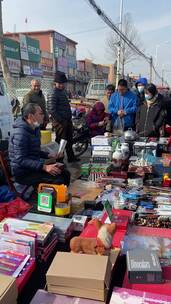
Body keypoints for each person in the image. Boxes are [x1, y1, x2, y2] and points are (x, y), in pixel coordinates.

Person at [8, 103, 70, 187]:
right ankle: (51, 198)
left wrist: (49, 155)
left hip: (34, 167)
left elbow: (35, 151)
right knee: (59, 180)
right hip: (23, 172)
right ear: (30, 116)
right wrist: (45, 167)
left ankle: (64, 197)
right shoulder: (20, 133)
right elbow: (21, 159)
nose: (44, 115)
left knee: (65, 173)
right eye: (40, 113)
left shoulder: (35, 128)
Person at [47, 71, 79, 163]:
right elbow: (51, 110)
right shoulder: (53, 92)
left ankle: (71, 157)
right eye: (59, 83)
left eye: (63, 83)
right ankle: (59, 160)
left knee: (69, 140)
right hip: (59, 122)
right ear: (55, 83)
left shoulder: (62, 91)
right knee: (61, 141)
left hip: (67, 120)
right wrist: (61, 121)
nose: (61, 85)